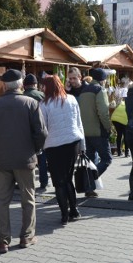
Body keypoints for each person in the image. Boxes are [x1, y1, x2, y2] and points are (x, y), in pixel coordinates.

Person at [0, 69, 47, 254]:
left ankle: (3, 241)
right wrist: (36, 149)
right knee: (28, 199)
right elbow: (41, 132)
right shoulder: (31, 103)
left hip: (2, 159)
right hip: (25, 159)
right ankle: (26, 236)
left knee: (2, 201)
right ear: (21, 84)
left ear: (4, 85)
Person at [39, 74, 85, 225]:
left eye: (43, 86)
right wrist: (82, 144)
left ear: (47, 87)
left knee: (59, 181)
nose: (41, 88)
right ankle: (74, 210)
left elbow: (43, 128)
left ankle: (64, 214)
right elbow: (79, 122)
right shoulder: (71, 99)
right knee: (68, 178)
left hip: (53, 145)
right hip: (73, 141)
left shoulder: (44, 104)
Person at [67, 67, 113, 198]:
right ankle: (88, 182)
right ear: (103, 80)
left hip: (84, 132)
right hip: (98, 131)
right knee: (107, 159)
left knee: (91, 161)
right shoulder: (99, 90)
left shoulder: (83, 91)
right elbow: (103, 113)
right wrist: (108, 127)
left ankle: (89, 189)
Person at [23, 73, 49, 191]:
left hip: (25, 131)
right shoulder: (43, 95)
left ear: (24, 86)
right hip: (41, 129)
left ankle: (25, 183)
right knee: (42, 157)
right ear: (35, 84)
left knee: (26, 158)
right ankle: (44, 182)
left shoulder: (21, 96)